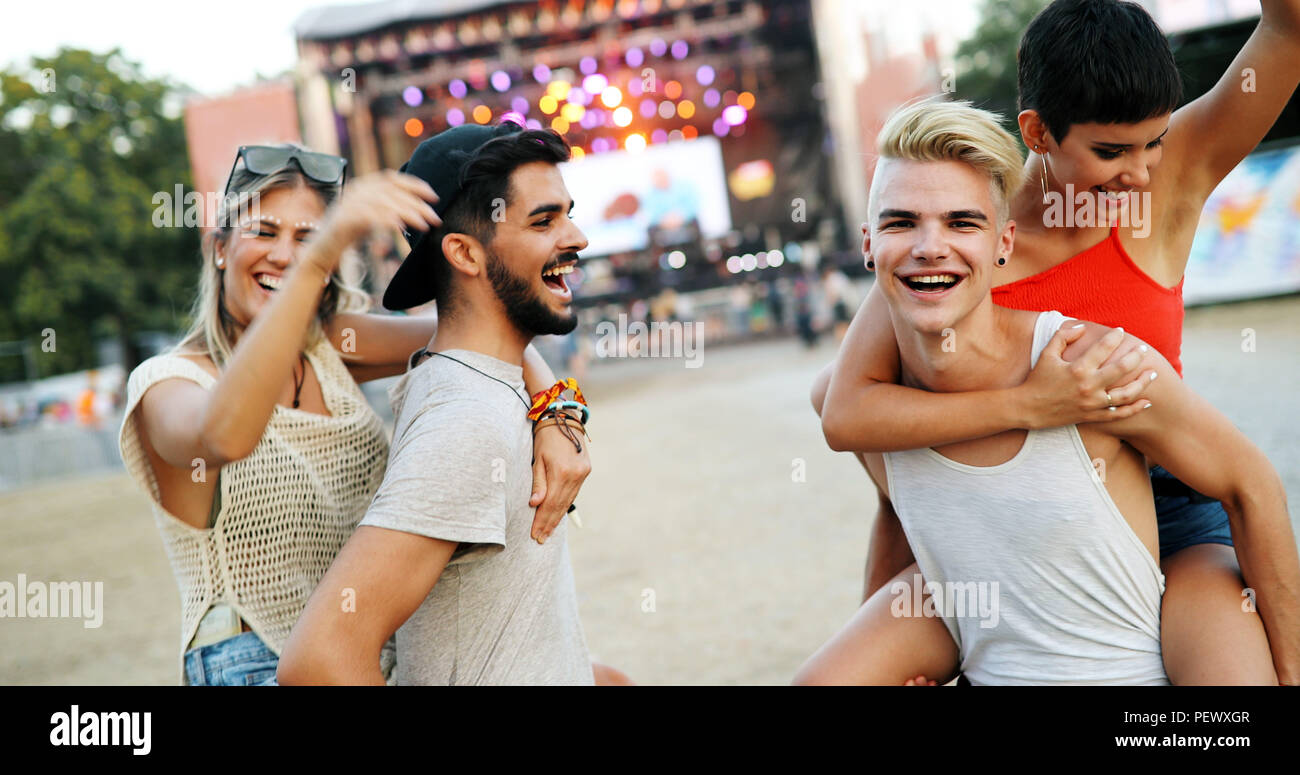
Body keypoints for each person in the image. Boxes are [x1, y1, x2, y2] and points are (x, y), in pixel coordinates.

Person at [811, 0, 1300, 684]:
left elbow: (1286, 32)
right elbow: (855, 419)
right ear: (1037, 132)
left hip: (1174, 505)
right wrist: (1034, 406)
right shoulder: (966, 241)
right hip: (1019, 526)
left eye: (1153, 141)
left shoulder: (1170, 172)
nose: (1140, 173)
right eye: (1109, 151)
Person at [119, 140, 593, 685]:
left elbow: (488, 328)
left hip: (364, 650)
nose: (285, 254)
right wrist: (321, 252)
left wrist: (559, 415)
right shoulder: (167, 384)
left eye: (307, 236)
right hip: (255, 665)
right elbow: (223, 436)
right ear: (220, 247)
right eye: (265, 232)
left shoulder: (331, 345)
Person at [277, 124, 630, 686]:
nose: (578, 236)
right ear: (464, 253)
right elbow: (320, 660)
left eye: (568, 213)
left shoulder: (485, 385)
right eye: (544, 220)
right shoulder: (468, 420)